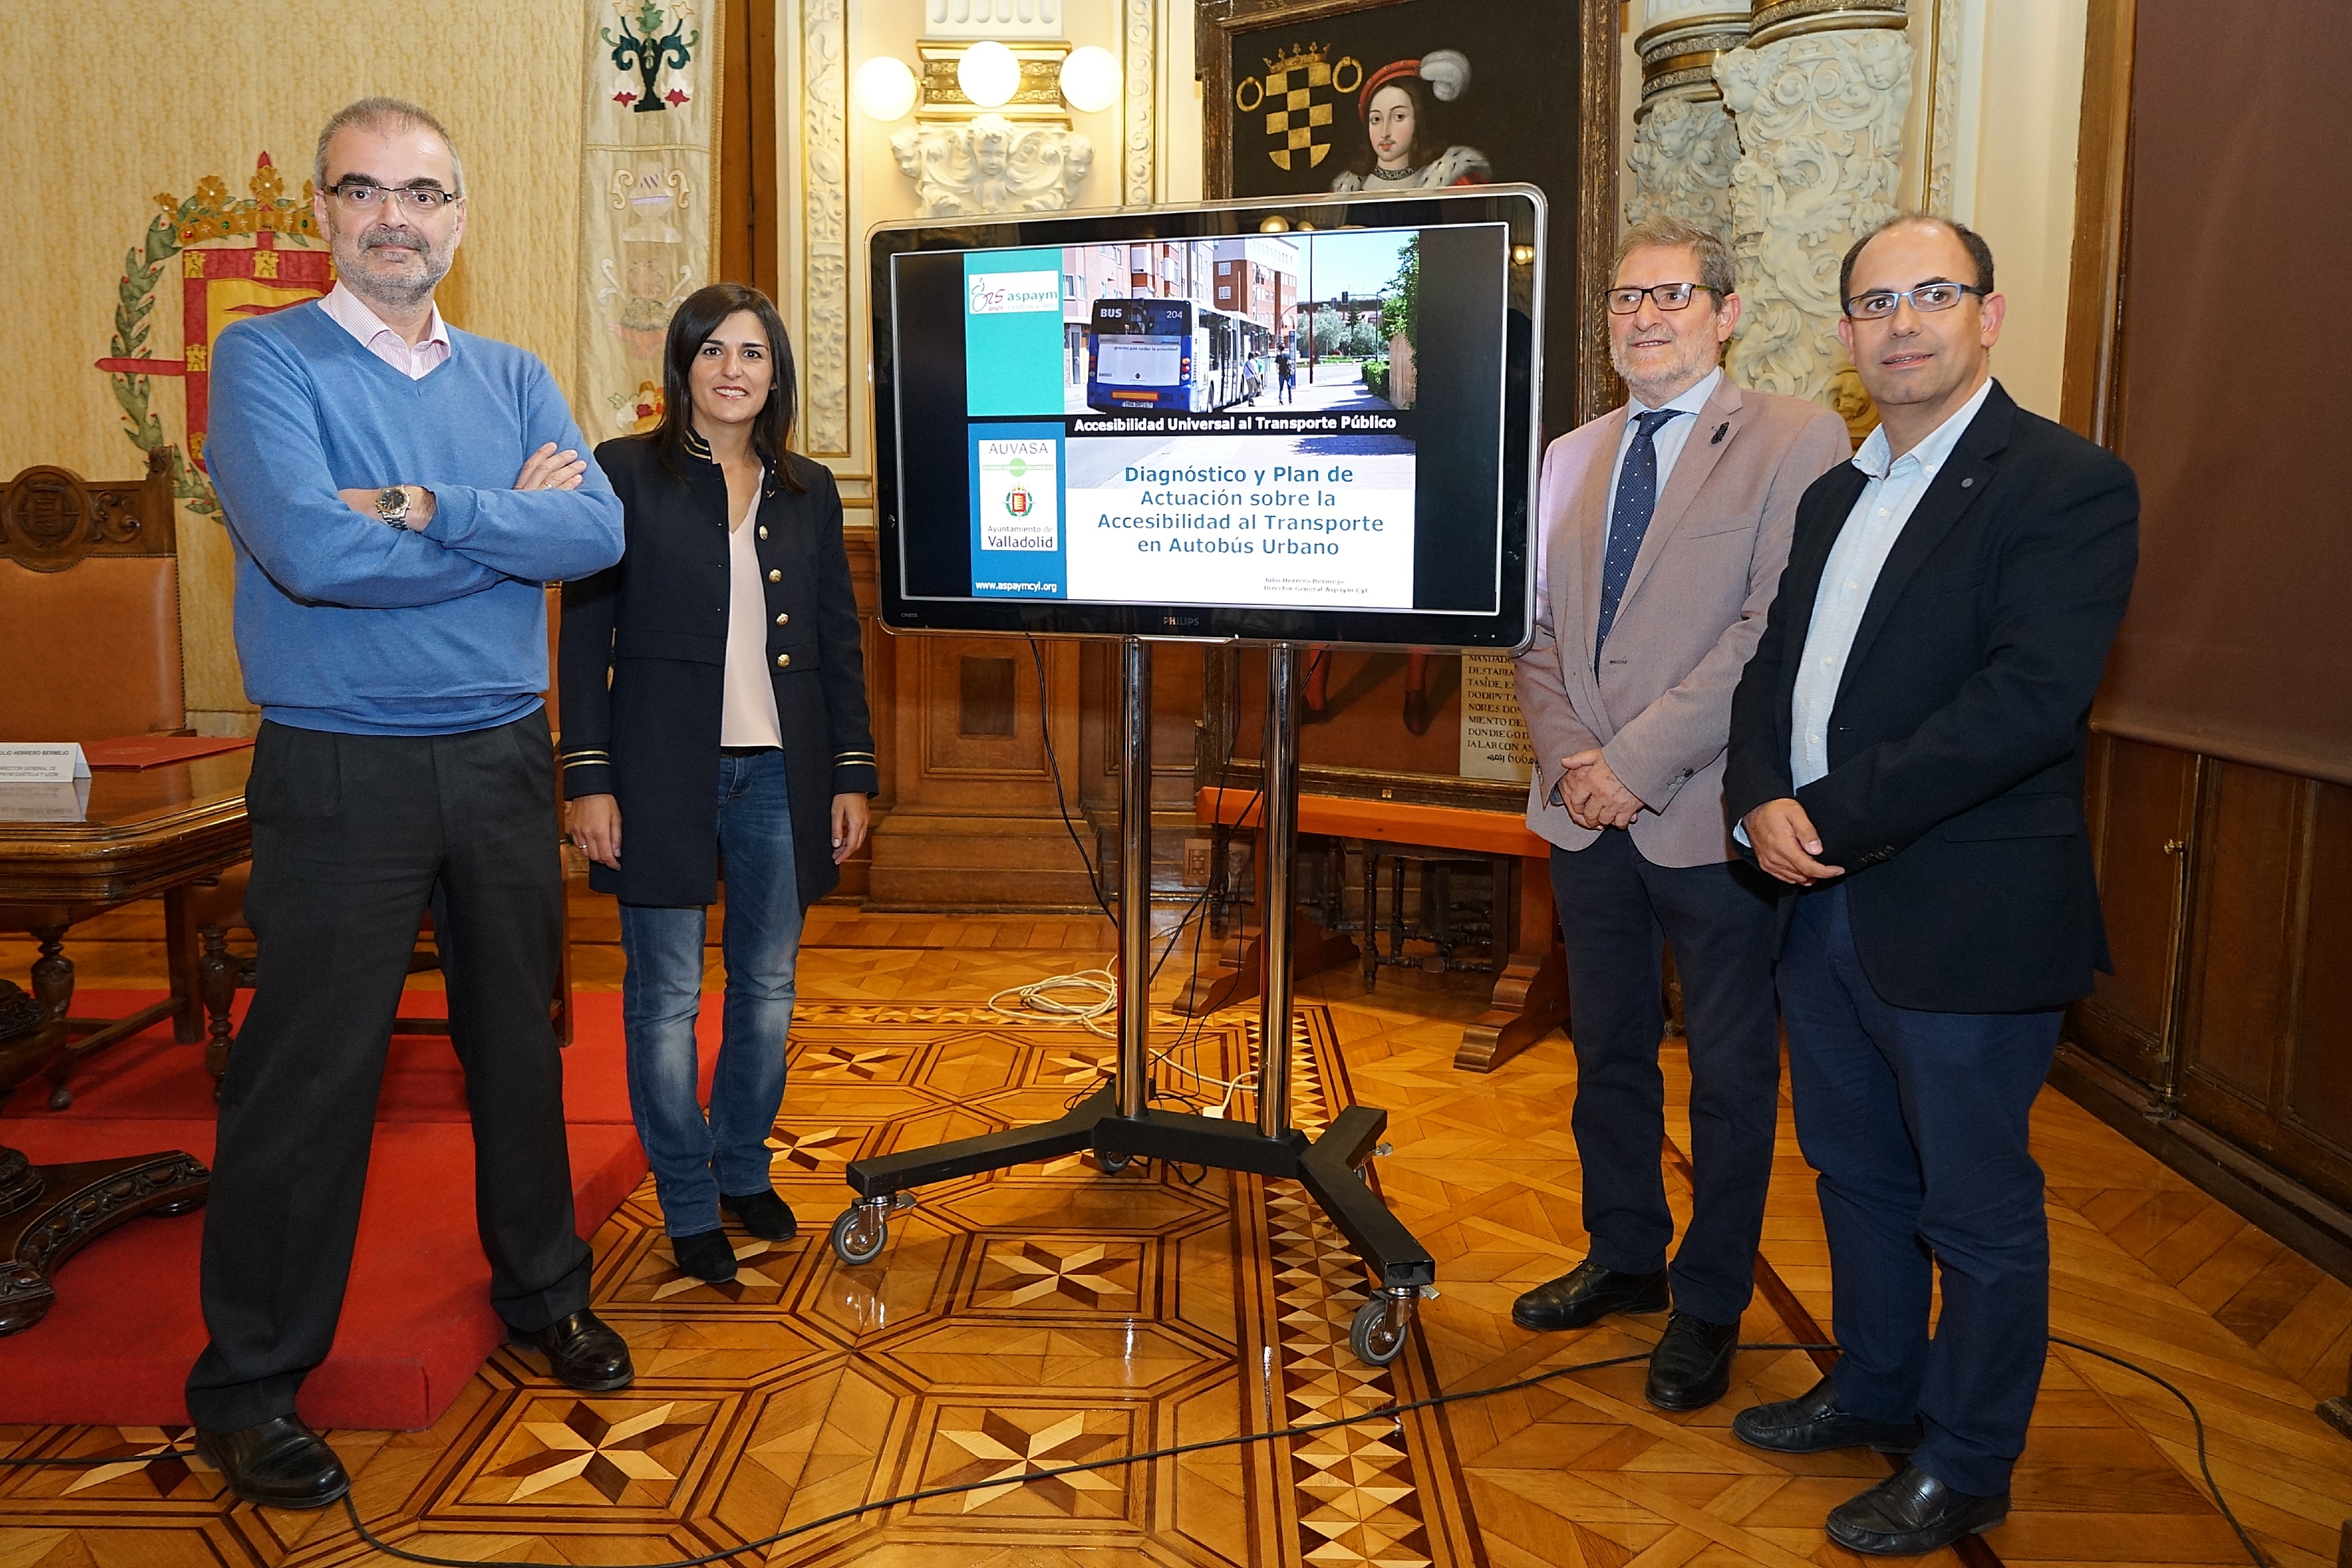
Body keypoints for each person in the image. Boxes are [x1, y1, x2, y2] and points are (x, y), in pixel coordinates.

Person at [186, 98, 631, 1511]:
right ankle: (251, 1382)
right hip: (340, 765)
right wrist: (501, 521)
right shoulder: (264, 358)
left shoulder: (514, 374)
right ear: (323, 211)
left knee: (518, 1048)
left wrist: (426, 505)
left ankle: (545, 1289)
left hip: (501, 757)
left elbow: (596, 528)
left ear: (459, 215)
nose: (396, 217)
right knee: (308, 1078)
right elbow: (312, 553)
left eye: (424, 193)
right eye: (365, 190)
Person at [1724, 216, 2137, 1555]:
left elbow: (2022, 704)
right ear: (1846, 331)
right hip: (1816, 903)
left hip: (1964, 918)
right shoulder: (1833, 495)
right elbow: (1772, 674)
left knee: (1974, 1207)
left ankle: (1965, 1460)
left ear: (1987, 314)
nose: (1901, 323)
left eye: (1932, 295)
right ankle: (1875, 1384)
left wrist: (1824, 814)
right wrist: (1754, 798)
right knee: (1852, 1171)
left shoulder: (2065, 483)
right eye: (1874, 302)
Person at [1510, 217, 1849, 1411]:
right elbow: (1532, 632)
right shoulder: (1566, 455)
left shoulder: (1796, 436)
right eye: (1625, 299)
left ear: (1726, 312)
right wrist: (1576, 764)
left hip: (1707, 816)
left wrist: (1633, 764)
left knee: (1728, 1074)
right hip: (1583, 816)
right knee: (1603, 1049)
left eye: (1671, 295)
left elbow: (1767, 631)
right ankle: (1623, 1255)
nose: (1643, 317)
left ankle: (1709, 1302)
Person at [559, 284, 877, 1284]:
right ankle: (688, 1201)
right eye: (713, 351)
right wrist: (588, 778)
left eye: (752, 352)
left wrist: (851, 772)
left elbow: (837, 640)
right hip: (657, 777)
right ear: (683, 366)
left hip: (783, 776)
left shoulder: (807, 487)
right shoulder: (622, 473)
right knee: (664, 1000)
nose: (732, 369)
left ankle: (743, 1167)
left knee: (768, 989)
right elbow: (585, 637)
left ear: (776, 373)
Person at [1329, 51, 1492, 191]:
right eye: (1376, 119)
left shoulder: (1454, 180)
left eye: (1398, 117)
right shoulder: (1345, 189)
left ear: (1418, 120)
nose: (1385, 132)